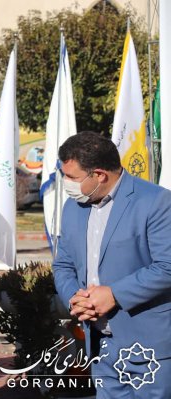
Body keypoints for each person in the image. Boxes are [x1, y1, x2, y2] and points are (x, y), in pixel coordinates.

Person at [53, 131, 171, 398]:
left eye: (72, 177)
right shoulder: (73, 207)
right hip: (99, 344)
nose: (66, 183)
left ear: (100, 175)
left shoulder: (156, 202)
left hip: (148, 344)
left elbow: (167, 266)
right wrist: (75, 298)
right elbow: (63, 264)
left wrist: (114, 294)